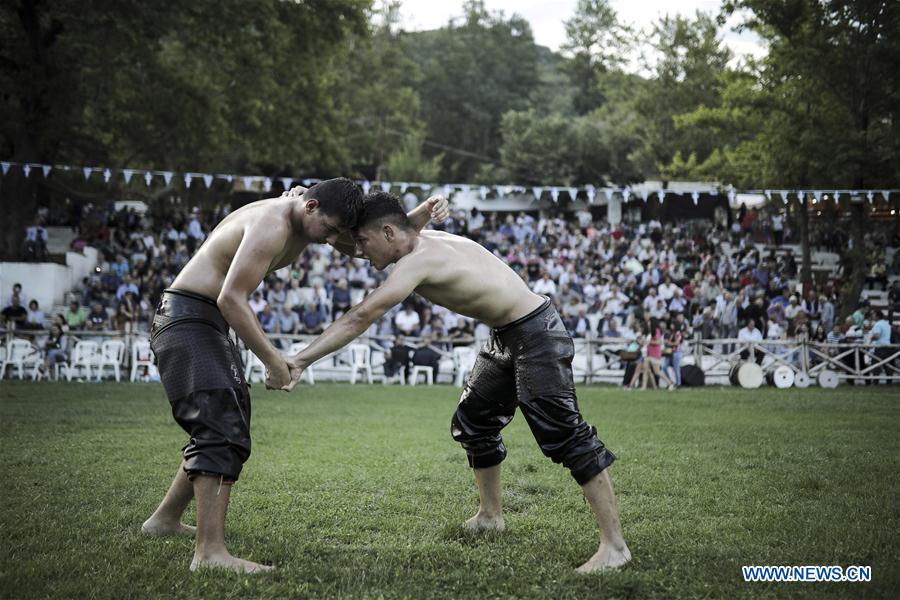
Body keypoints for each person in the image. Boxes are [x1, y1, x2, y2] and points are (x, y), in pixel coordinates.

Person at [288, 192, 630, 572]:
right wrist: (304, 212)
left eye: (363, 241)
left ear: (387, 232)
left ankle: (614, 547)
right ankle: (490, 516)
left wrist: (299, 360)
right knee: (474, 421)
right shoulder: (413, 238)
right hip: (508, 333)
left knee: (565, 434)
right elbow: (380, 233)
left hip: (536, 334)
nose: (358, 251)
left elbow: (360, 316)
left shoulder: (417, 261)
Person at [141, 179, 448, 574]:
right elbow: (231, 298)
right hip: (188, 318)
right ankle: (209, 554)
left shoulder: (309, 219)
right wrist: (274, 361)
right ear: (311, 207)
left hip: (203, 320)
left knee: (224, 419)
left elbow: (373, 240)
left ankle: (165, 520)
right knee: (220, 425)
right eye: (331, 230)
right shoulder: (272, 223)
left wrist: (422, 213)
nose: (332, 241)